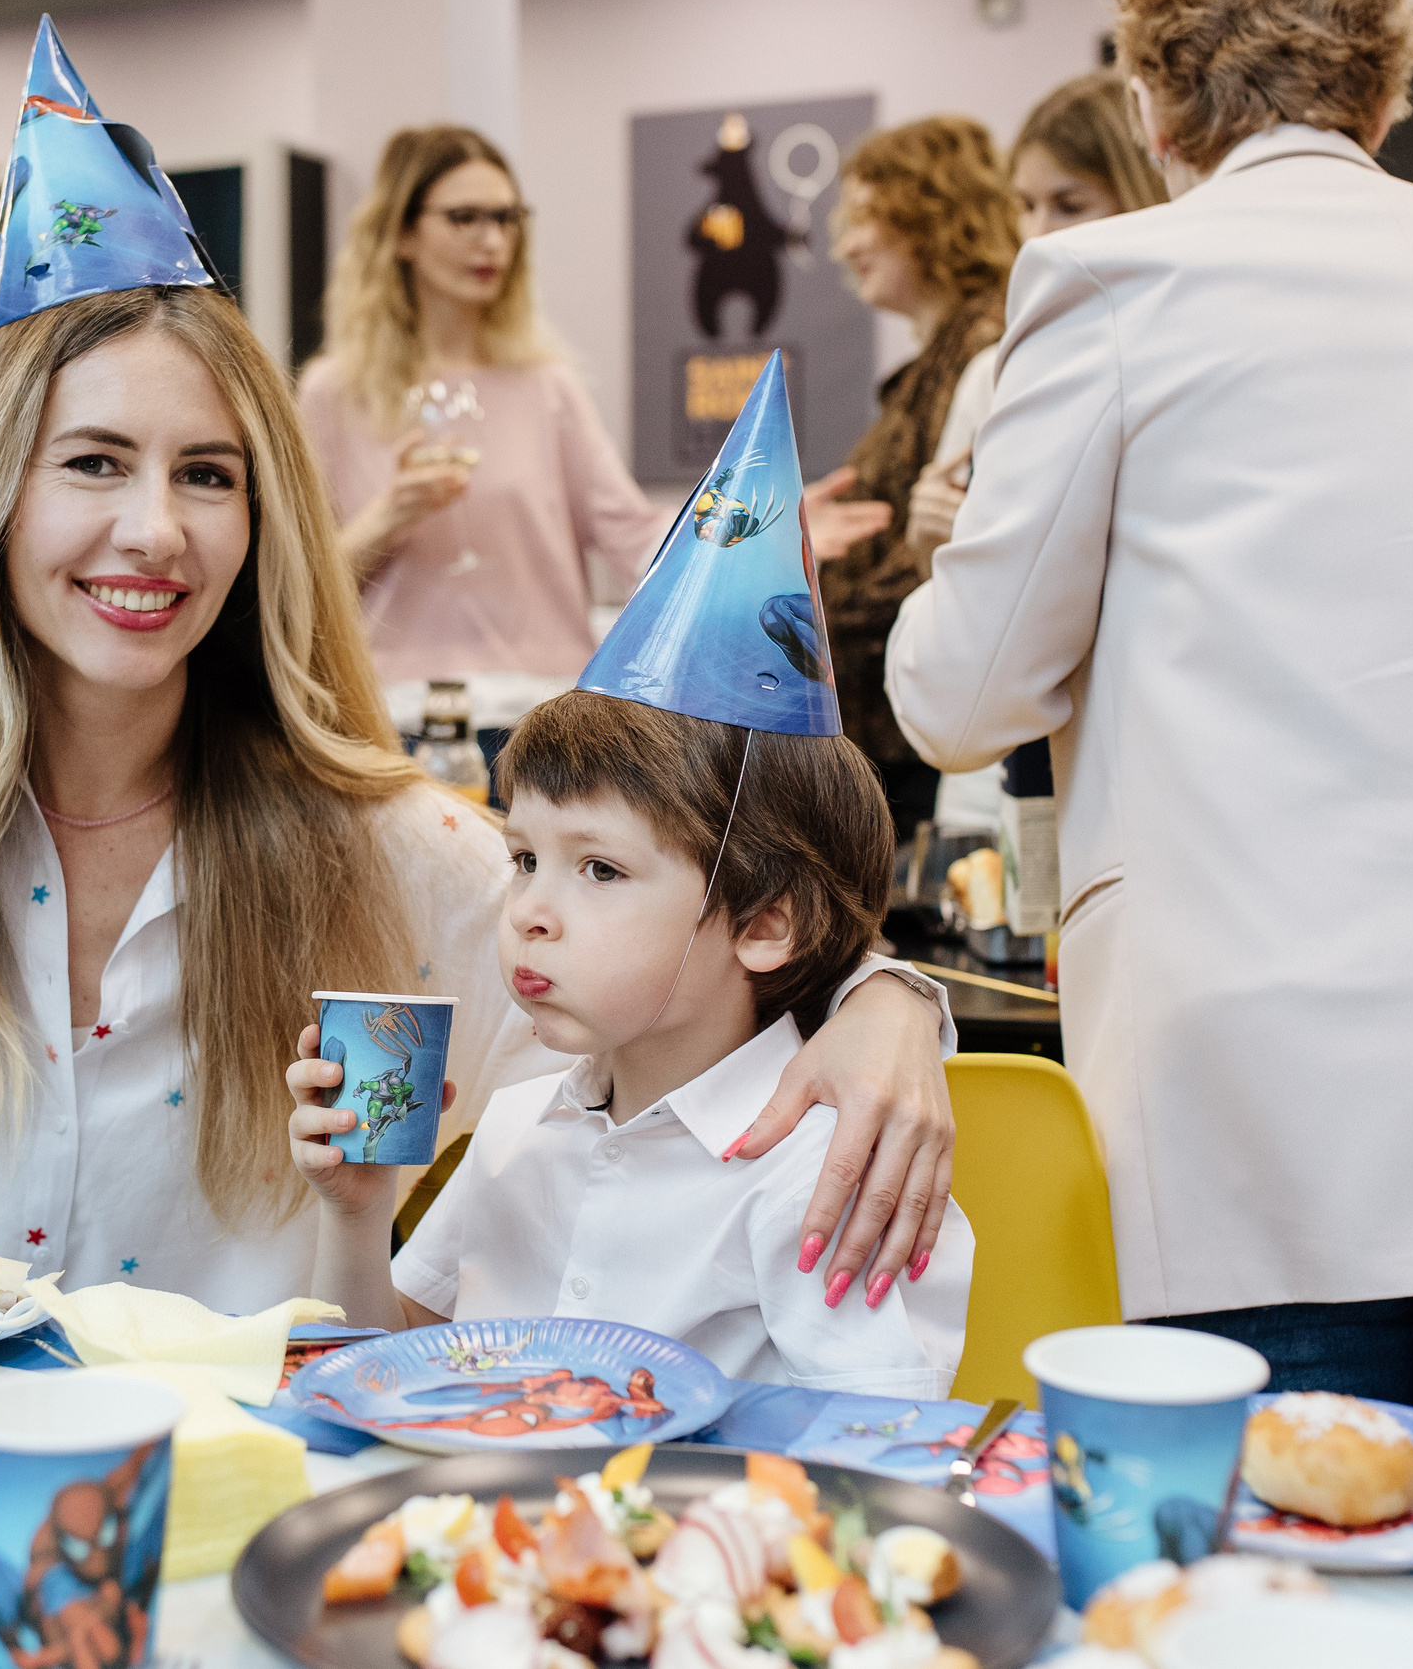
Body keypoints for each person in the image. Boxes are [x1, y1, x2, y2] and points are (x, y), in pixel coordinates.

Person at [0, 22, 958, 1319]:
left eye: (208, 475)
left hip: (250, 1511)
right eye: (94, 461)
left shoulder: (385, 848)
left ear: (265, 518)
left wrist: (888, 1001)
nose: (157, 527)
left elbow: (691, 954)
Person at [885, 0, 1413, 1477]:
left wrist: (963, 531)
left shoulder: (1110, 283)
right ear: (1392, 89)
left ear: (1149, 100)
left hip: (1285, 1055)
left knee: (1304, 1578)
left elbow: (961, 692)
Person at [293, 357, 972, 1386]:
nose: (526, 912)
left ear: (765, 922)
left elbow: (878, 1454)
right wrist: (357, 1214)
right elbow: (386, 1378)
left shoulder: (815, 1172)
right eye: (523, 859)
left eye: (599, 871)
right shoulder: (517, 1127)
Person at [298, 126, 667, 689]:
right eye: (465, 218)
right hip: (396, 713)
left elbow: (634, 538)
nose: (492, 240)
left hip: (540, 713)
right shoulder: (333, 393)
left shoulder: (547, 386)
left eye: (506, 218)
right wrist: (389, 515)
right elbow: (298, 589)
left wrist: (746, 530)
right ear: (402, 233)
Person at [908, 72, 1166, 833]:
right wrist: (935, 538)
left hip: (1134, 766)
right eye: (1026, 205)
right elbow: (968, 605)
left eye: (1071, 203)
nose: (1041, 231)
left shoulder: (1183, 357)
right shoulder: (995, 371)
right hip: (998, 779)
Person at [808, 118, 1020, 841]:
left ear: (932, 210)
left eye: (865, 217)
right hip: (894, 732)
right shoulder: (930, 365)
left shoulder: (986, 354)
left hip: (924, 744)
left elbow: (962, 547)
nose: (846, 245)